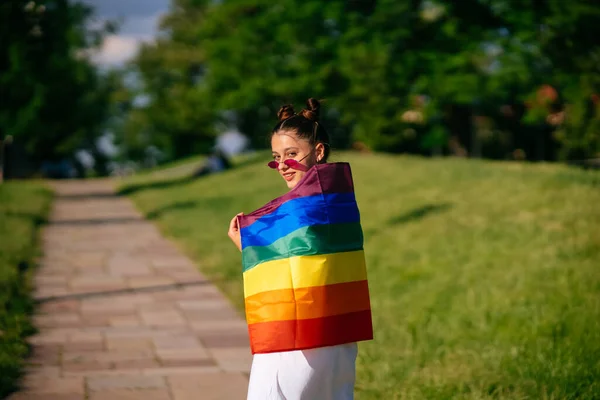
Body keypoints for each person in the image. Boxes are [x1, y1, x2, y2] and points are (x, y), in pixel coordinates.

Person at [228, 98, 365, 400]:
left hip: (297, 334)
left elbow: (296, 271)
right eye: (276, 156)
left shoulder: (302, 209)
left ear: (318, 150)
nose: (282, 165)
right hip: (337, 331)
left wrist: (249, 246)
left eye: (292, 154)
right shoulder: (339, 198)